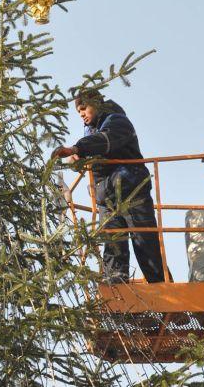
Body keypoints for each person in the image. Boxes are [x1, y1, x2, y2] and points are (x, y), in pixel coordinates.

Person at [52, 90, 165, 284]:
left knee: (145, 245)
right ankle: (118, 297)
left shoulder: (118, 121)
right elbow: (93, 149)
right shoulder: (92, 131)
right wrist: (75, 159)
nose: (82, 115)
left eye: (84, 108)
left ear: (97, 103)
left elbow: (106, 140)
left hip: (132, 191)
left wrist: (77, 148)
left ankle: (164, 290)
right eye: (79, 112)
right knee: (113, 250)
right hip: (107, 199)